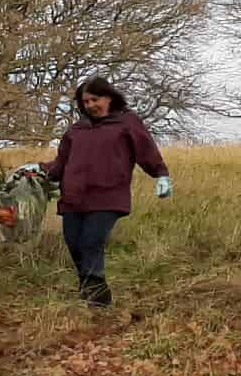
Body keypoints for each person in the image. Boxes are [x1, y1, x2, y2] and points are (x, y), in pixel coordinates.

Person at [36, 77, 171, 307]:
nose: (89, 105)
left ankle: (96, 298)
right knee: (74, 244)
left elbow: (146, 149)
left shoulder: (126, 122)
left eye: (94, 100)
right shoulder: (76, 130)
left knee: (91, 242)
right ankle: (91, 291)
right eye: (85, 101)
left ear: (109, 97)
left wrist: (161, 174)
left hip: (107, 196)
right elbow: (61, 163)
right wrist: (38, 171)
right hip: (73, 198)